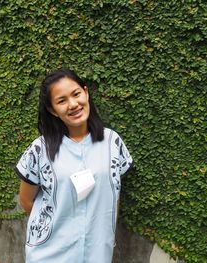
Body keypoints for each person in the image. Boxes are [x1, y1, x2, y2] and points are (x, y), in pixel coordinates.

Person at [14, 69, 133, 263]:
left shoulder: (112, 143)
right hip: (50, 254)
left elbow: (113, 195)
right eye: (61, 101)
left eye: (76, 94)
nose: (73, 104)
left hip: (97, 251)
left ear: (86, 93)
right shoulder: (40, 149)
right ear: (53, 110)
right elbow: (26, 201)